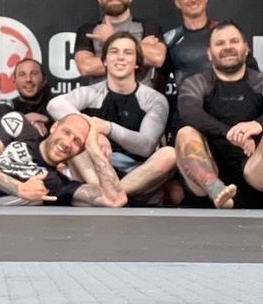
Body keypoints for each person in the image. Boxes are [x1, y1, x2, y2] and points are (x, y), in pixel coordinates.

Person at [175, 22, 263, 209]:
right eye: (220, 43)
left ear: (246, 49)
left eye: (234, 41)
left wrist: (257, 125)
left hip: (256, 172)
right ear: (209, 54)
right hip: (206, 179)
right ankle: (216, 188)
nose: (227, 47)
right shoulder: (196, 83)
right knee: (186, 133)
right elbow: (189, 113)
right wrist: (229, 133)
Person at [47, 32, 175, 201]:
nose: (120, 57)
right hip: (95, 168)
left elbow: (146, 146)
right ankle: (102, 193)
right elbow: (54, 105)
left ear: (137, 63)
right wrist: (94, 131)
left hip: (136, 173)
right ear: (105, 60)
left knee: (170, 154)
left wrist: (108, 128)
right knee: (74, 135)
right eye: (114, 52)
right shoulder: (92, 92)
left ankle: (109, 195)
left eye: (128, 53)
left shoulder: (153, 99)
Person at [74, 0, 165, 82]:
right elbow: (86, 68)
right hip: (100, 98)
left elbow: (157, 58)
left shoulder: (148, 26)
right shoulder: (88, 30)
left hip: (141, 98)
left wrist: (111, 38)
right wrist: (139, 55)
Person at [10, 58, 54, 133]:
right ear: (14, 80)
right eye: (22, 74)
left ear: (44, 79)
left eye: (34, 73)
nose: (28, 79)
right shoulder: (7, 108)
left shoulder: (57, 104)